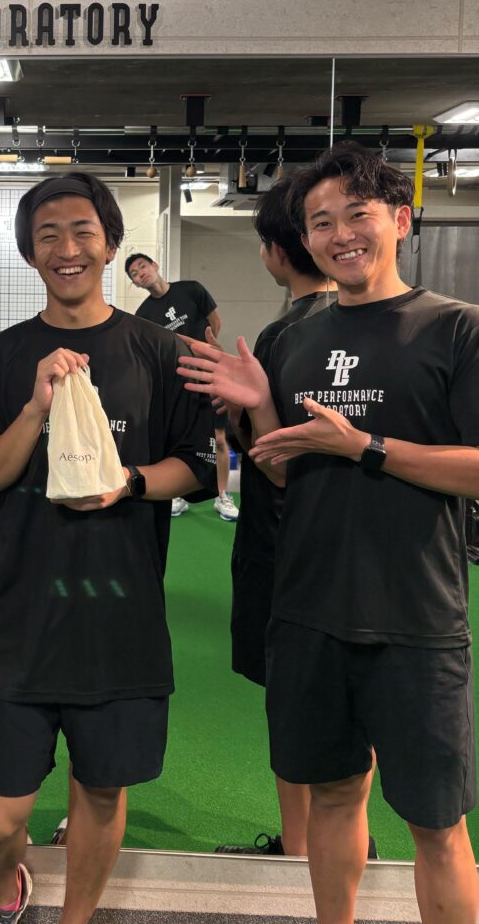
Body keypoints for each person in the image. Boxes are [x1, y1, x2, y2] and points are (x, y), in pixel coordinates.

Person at [178, 143, 479, 924]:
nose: (340, 234)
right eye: (321, 222)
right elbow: (285, 476)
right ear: (304, 240)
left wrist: (366, 447)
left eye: (357, 214)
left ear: (400, 221)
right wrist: (261, 410)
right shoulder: (290, 341)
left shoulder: (455, 329)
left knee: (437, 825)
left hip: (416, 620)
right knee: (335, 797)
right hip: (308, 614)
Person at [0, 174, 216, 924]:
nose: (66, 249)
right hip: (22, 622)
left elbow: (200, 467)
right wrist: (35, 409)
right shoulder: (1, 358)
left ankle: (78, 918)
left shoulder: (159, 350)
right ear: (29, 252)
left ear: (109, 244)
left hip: (121, 620)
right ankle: (8, 886)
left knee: (101, 792)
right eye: (48, 235)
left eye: (82, 232)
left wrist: (129, 483)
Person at [213, 175, 344, 858]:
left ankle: (298, 851)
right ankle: (339, 841)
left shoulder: (284, 335)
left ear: (274, 251)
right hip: (353, 552)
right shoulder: (360, 328)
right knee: (343, 705)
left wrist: (238, 412)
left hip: (286, 548)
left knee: (293, 705)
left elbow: (270, 456)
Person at [126, 253, 237, 521]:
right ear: (136, 283)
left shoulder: (191, 289)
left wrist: (207, 353)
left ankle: (222, 495)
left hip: (209, 374)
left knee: (219, 438)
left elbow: (215, 321)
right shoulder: (143, 315)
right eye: (134, 275)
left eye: (142, 266)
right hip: (178, 381)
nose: (140, 274)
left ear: (155, 265)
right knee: (175, 439)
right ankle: (177, 494)